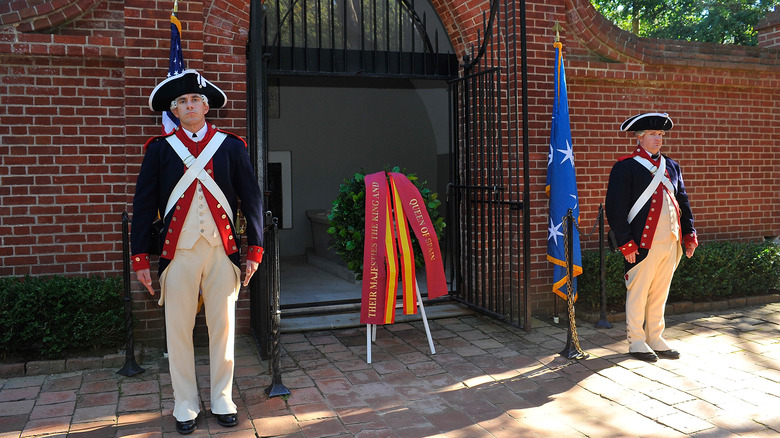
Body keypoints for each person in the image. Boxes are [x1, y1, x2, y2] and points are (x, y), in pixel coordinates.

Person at [130, 69, 265, 434]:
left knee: (223, 329)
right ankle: (185, 403)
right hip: (179, 253)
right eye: (182, 102)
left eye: (195, 100)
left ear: (206, 107)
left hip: (222, 251)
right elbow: (143, 205)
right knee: (178, 330)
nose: (189, 106)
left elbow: (251, 199)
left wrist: (254, 248)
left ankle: (222, 398)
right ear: (174, 111)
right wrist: (140, 256)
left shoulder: (231, 146)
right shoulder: (159, 149)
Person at [605, 112, 698, 363]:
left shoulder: (672, 166)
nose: (659, 139)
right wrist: (625, 243)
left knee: (660, 291)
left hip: (670, 241)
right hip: (642, 242)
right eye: (653, 134)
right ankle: (636, 340)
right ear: (640, 137)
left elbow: (683, 202)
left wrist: (689, 234)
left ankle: (655, 336)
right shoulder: (625, 167)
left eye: (661, 135)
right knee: (638, 291)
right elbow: (615, 208)